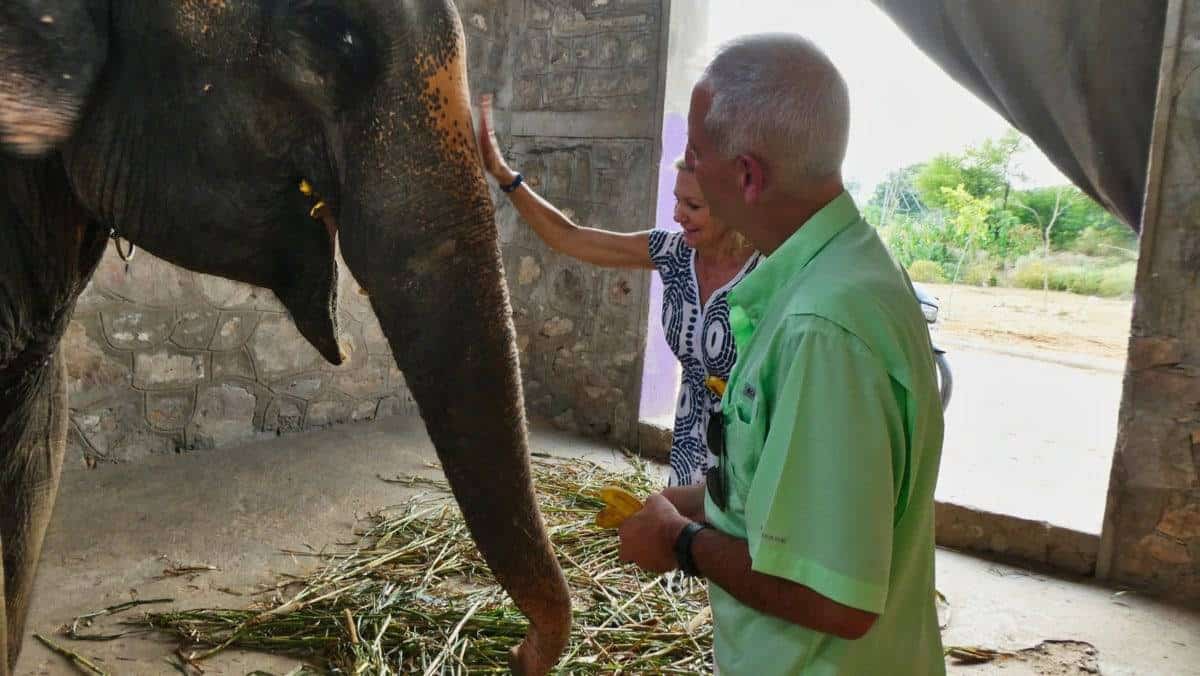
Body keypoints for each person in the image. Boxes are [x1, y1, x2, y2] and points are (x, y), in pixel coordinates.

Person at [616, 33, 947, 675]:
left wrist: (681, 543)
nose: (689, 175)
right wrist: (703, 502)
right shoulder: (836, 269)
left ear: (745, 176)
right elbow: (794, 488)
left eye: (696, 156)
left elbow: (835, 600)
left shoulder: (823, 329)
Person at [477, 95, 761, 487]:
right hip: (687, 458)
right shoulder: (672, 253)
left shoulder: (767, 271)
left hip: (748, 465)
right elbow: (571, 237)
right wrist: (505, 175)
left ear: (729, 205)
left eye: (692, 206)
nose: (677, 215)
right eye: (677, 200)